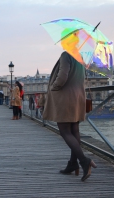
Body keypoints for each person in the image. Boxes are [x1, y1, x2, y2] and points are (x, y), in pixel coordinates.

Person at [42, 30, 96, 182]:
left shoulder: (66, 55)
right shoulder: (81, 58)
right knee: (74, 130)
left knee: (65, 131)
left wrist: (53, 87)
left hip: (65, 98)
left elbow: (63, 76)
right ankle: (73, 164)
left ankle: (84, 161)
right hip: (78, 97)